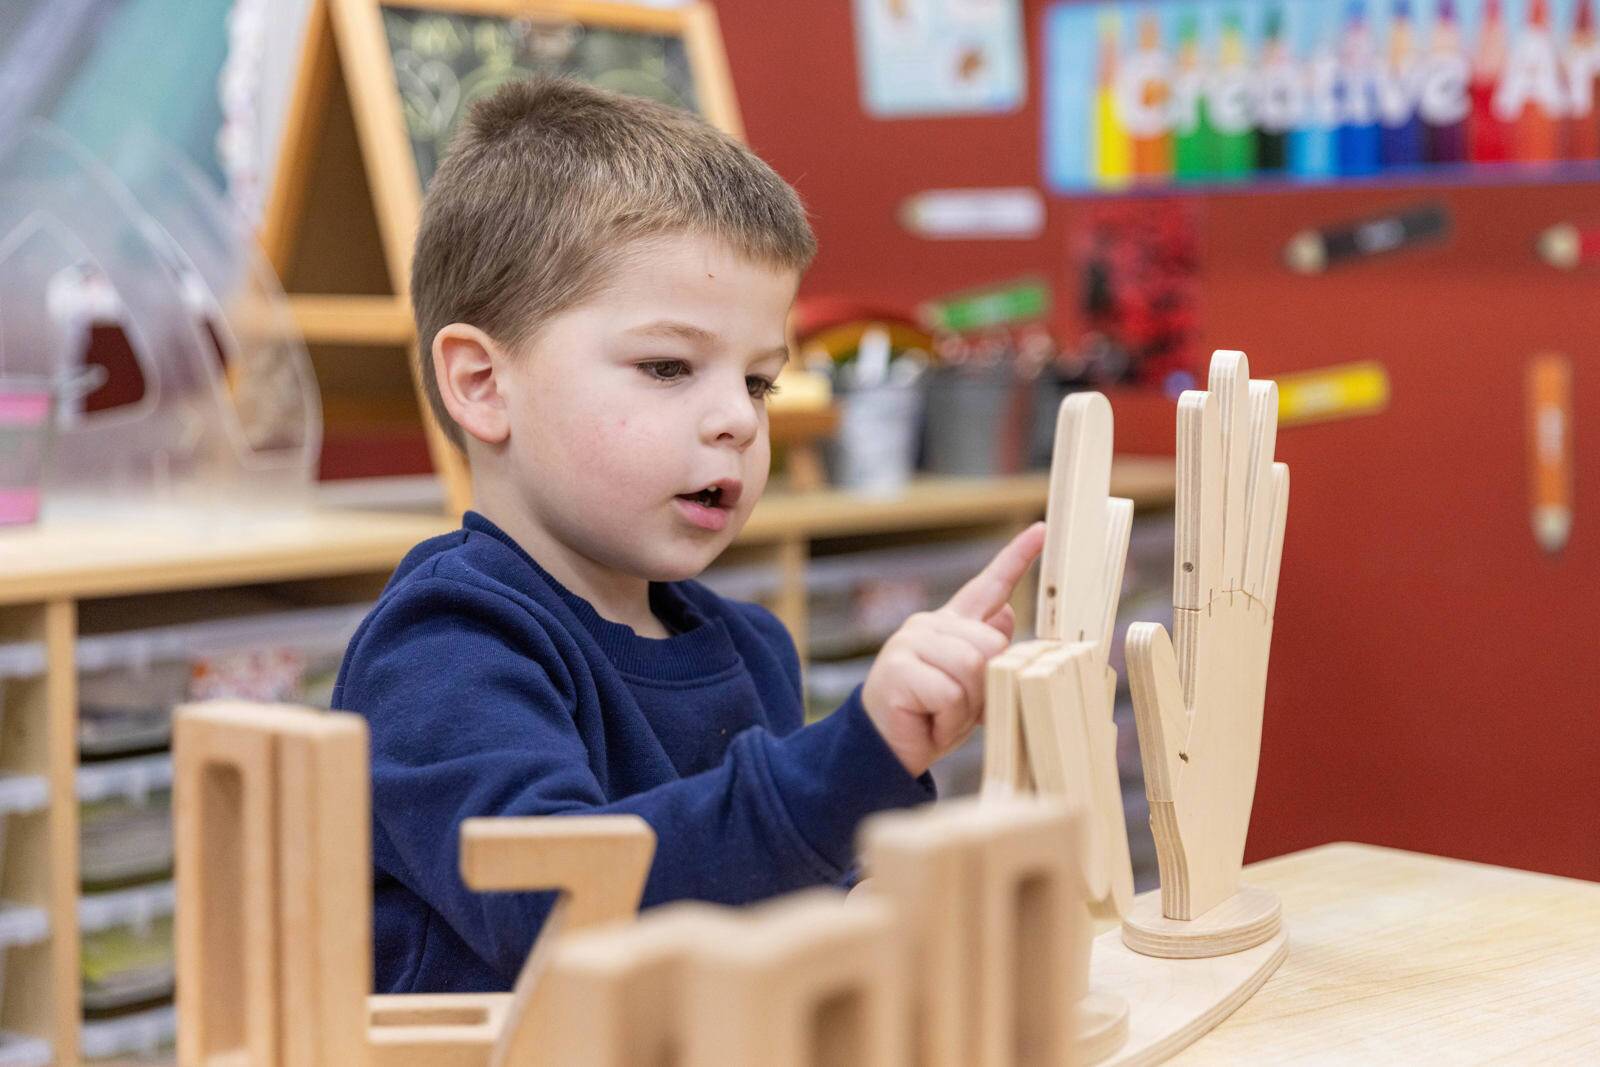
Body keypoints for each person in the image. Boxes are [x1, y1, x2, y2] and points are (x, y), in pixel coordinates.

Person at [334, 77, 1046, 994]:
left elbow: (771, 898)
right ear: (481, 383)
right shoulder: (444, 647)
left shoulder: (750, 647)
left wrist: (874, 895)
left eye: (758, 382)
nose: (739, 423)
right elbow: (568, 917)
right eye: (668, 366)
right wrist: (849, 761)